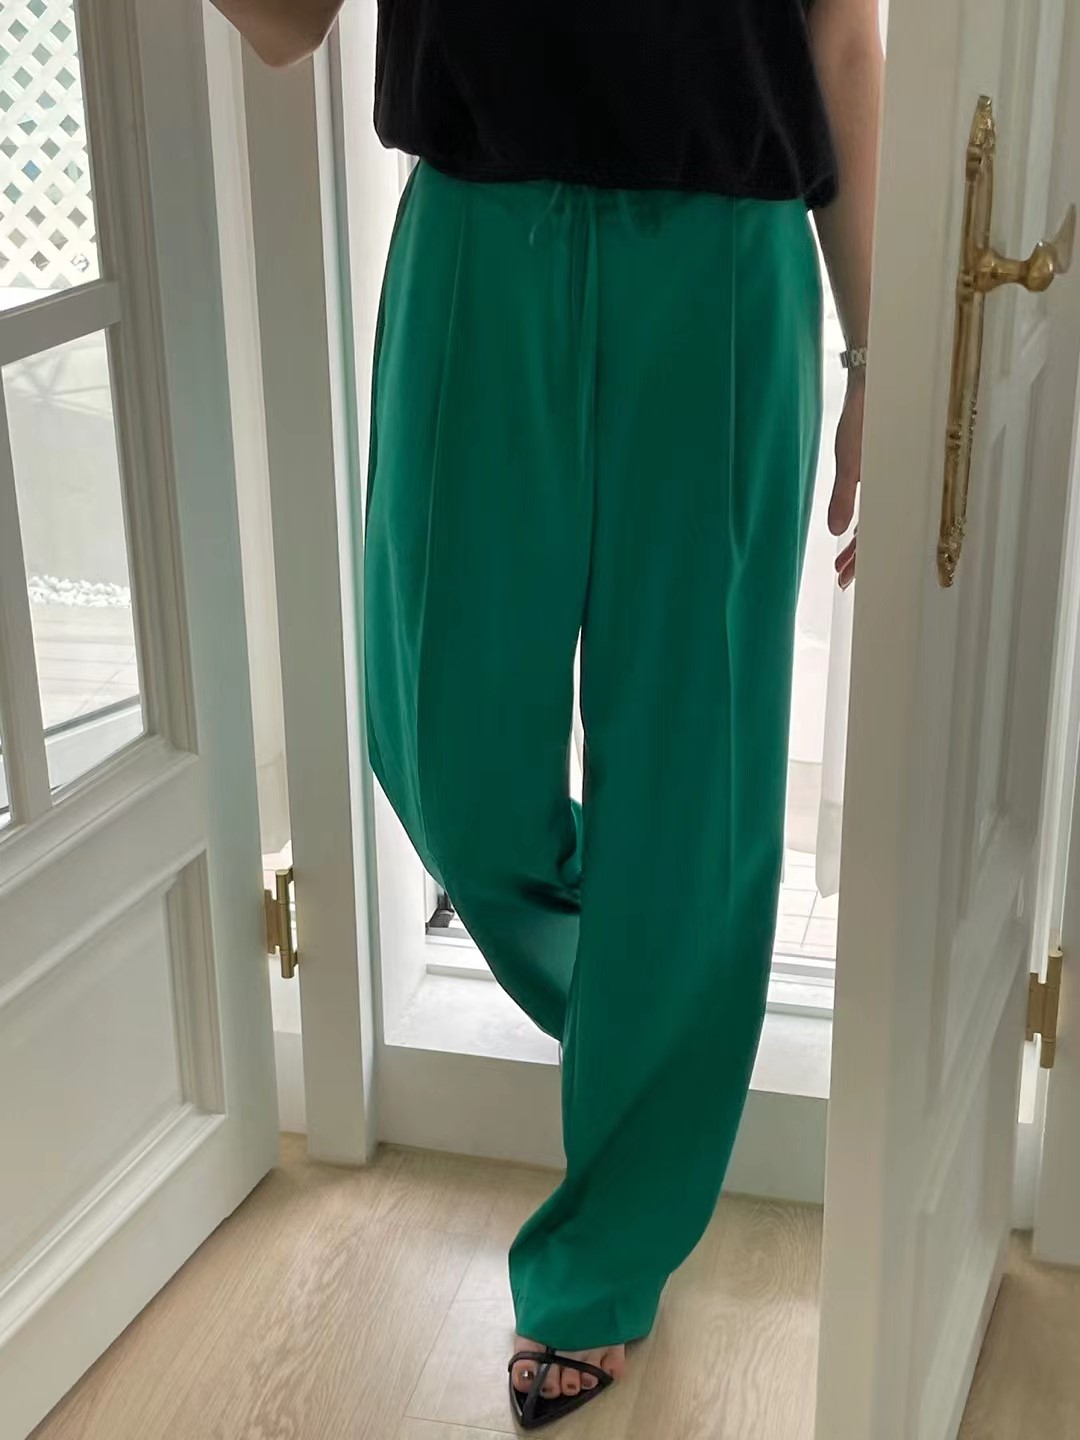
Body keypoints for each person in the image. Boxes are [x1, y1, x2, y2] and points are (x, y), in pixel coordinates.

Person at [212, 0, 882, 1428]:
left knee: (696, 769)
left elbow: (840, 35)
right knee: (439, 745)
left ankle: (601, 1265)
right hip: (478, 234)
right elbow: (285, 28)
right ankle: (656, 1025)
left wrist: (879, 357)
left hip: (727, 257)